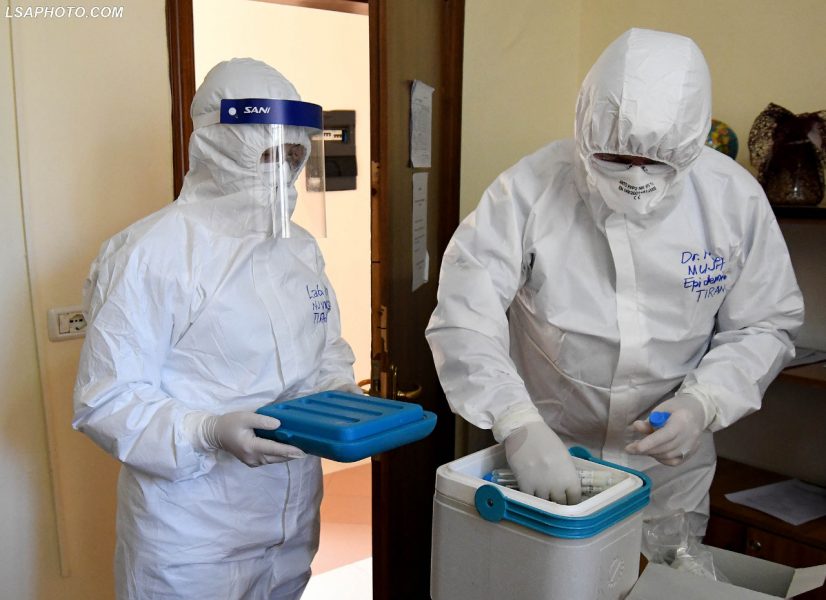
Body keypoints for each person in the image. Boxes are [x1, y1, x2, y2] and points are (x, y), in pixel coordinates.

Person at [425, 29, 804, 535]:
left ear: (691, 147)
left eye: (658, 162)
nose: (636, 176)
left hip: (668, 474)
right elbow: (464, 316)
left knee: (661, 572)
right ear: (586, 133)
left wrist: (705, 402)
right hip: (545, 454)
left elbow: (765, 323)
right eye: (616, 158)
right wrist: (515, 422)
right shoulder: (527, 190)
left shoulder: (733, 200)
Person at [73, 58, 360, 599]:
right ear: (220, 147)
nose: (284, 170)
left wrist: (340, 396)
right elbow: (106, 398)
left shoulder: (298, 249)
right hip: (191, 538)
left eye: (293, 155)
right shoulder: (151, 254)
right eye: (269, 154)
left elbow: (324, 349)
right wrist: (206, 431)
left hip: (291, 520)